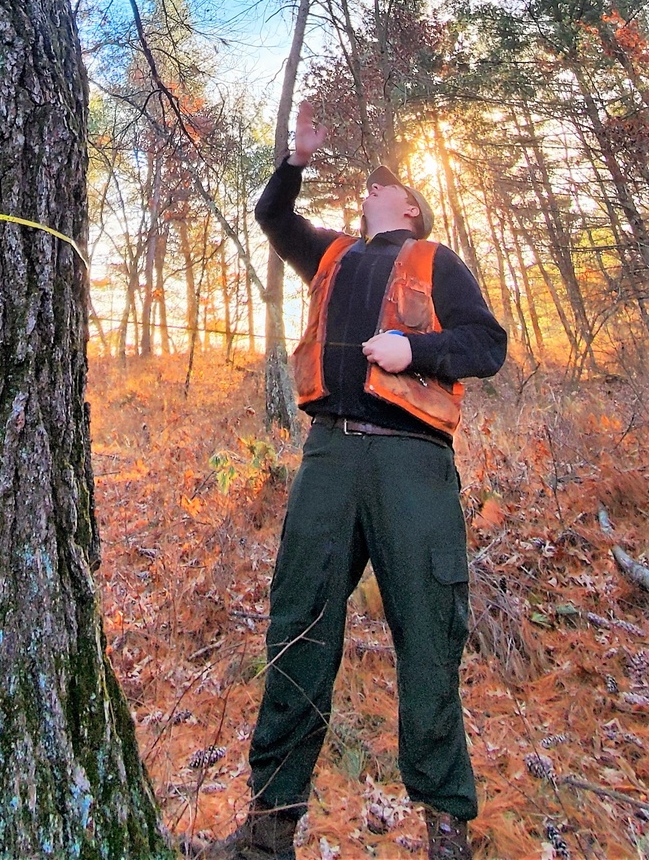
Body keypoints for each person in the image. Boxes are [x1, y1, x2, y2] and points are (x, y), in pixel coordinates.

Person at [192, 101, 506, 860]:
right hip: (328, 458)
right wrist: (295, 159)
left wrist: (414, 349)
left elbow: (486, 343)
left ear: (411, 208)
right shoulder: (333, 256)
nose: (370, 190)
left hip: (411, 462)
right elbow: (273, 217)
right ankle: (269, 834)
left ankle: (445, 831)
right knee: (298, 627)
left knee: (430, 635)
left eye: (383, 187)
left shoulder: (437, 262)